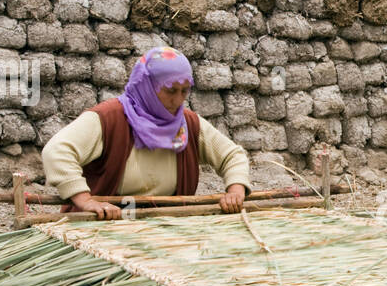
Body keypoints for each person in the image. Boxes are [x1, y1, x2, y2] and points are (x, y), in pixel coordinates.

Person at [42, 46, 251, 218]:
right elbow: (57, 151)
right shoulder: (109, 118)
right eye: (170, 90)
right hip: (107, 225)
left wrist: (235, 189)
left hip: (166, 227)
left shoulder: (187, 124)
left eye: (184, 91)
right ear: (147, 85)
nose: (178, 100)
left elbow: (232, 155)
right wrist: (84, 199)